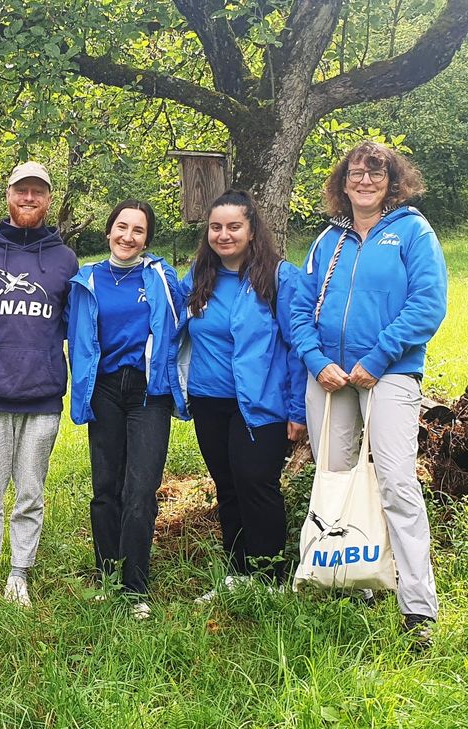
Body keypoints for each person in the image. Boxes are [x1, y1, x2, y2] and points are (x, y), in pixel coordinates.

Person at [290, 141, 446, 647]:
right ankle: (357, 580)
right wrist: (317, 362)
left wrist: (376, 359)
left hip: (390, 374)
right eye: (356, 173)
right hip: (330, 378)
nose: (365, 181)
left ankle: (417, 608)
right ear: (342, 183)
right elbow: (300, 310)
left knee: (397, 483)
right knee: (336, 479)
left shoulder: (413, 231)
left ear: (392, 181)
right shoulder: (327, 240)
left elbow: (428, 304)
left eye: (376, 173)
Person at [0, 161, 79, 615]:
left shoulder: (64, 259)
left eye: (38, 192)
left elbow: (72, 324)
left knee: (30, 493)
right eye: (21, 190)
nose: (29, 198)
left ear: (48, 199)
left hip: (42, 396)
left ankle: (18, 575)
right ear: (8, 195)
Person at [177, 190, 306, 600]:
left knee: (256, 482)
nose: (224, 235)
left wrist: (298, 409)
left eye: (234, 226)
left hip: (261, 403)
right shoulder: (198, 277)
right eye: (216, 227)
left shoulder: (279, 278)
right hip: (208, 401)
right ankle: (238, 574)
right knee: (227, 485)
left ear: (252, 230)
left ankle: (269, 577)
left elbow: (298, 347)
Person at [66, 199, 184, 619]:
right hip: (104, 389)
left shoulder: (161, 277)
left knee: (140, 489)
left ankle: (135, 588)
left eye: (138, 230)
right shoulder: (87, 279)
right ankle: (107, 576)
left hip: (148, 391)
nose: (128, 236)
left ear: (147, 240)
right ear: (108, 230)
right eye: (122, 226)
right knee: (106, 487)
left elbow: (185, 321)